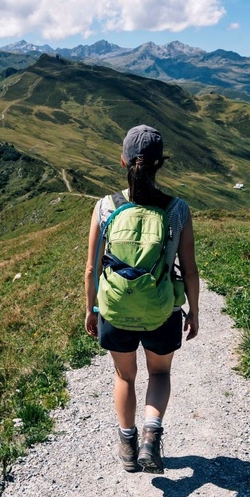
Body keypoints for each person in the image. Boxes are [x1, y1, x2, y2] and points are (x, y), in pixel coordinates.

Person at [84, 124, 200, 473]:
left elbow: (91, 269)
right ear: (159, 164)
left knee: (125, 376)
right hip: (162, 309)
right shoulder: (177, 210)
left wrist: (91, 309)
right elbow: (190, 269)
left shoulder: (105, 207)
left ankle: (127, 444)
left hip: (116, 308)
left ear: (123, 161)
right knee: (159, 373)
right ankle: (151, 436)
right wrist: (194, 311)